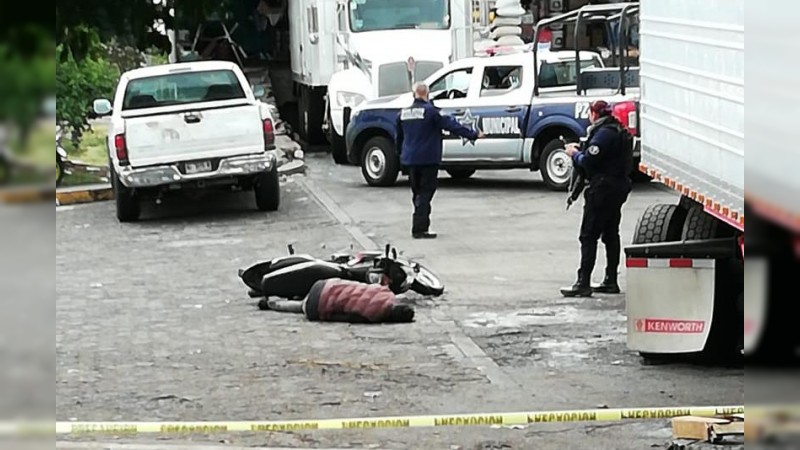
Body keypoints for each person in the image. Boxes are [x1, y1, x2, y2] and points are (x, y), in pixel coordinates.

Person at [560, 100, 632, 297]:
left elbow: (590, 163)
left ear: (594, 114)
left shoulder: (603, 134)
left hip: (602, 190)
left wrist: (574, 154)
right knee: (610, 233)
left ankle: (583, 282)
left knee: (588, 235)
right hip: (617, 188)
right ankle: (611, 280)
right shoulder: (618, 130)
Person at [395, 82, 485, 239]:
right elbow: (452, 126)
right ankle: (420, 229)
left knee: (417, 193)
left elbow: (399, 137)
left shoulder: (403, 113)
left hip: (410, 160)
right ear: (427, 94)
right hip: (428, 159)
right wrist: (473, 134)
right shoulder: (431, 112)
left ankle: (418, 223)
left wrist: (400, 154)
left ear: (413, 93)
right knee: (425, 193)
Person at [259, 278, 415, 323]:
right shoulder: (373, 315)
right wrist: (325, 316)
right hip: (317, 304)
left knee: (305, 294)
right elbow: (345, 317)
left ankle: (278, 290)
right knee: (301, 306)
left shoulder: (387, 293)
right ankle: (271, 304)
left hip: (326, 283)